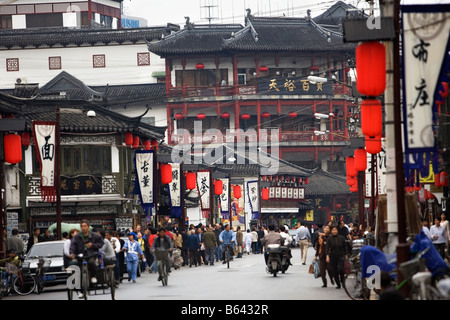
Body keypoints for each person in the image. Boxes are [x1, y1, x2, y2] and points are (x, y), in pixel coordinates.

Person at [70, 220, 104, 297]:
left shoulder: (95, 235)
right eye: (82, 226)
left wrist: (92, 245)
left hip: (92, 254)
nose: (84, 228)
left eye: (85, 226)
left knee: (92, 262)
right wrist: (72, 253)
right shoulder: (77, 237)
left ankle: (93, 276)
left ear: (88, 227)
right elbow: (72, 246)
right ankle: (81, 291)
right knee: (79, 271)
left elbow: (101, 243)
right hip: (80, 256)